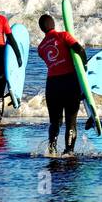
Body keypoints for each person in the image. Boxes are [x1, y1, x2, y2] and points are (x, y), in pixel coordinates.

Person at [36, 13, 88, 155]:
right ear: (53, 24)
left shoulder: (40, 48)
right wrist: (85, 68)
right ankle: (68, 152)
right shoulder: (63, 35)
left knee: (54, 122)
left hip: (52, 85)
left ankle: (52, 149)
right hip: (69, 82)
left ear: (42, 29)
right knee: (71, 121)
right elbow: (80, 50)